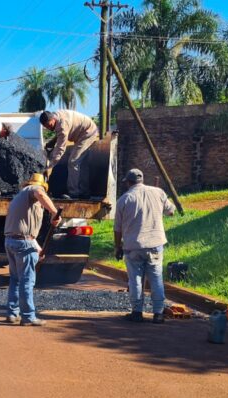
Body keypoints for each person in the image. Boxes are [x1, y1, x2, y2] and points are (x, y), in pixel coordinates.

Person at [113, 168, 176, 324]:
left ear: (128, 182)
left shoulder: (124, 200)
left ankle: (137, 312)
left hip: (133, 246)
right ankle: (158, 314)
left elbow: (117, 229)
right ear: (141, 180)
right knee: (156, 279)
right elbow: (171, 211)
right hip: (155, 244)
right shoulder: (158, 192)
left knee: (135, 280)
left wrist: (117, 247)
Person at [3, 173, 61, 326]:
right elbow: (40, 193)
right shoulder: (34, 189)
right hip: (22, 244)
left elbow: (27, 231)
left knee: (15, 279)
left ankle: (12, 313)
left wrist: (37, 248)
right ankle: (28, 316)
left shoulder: (20, 197)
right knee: (27, 281)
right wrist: (54, 212)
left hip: (11, 241)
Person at [39, 110, 99, 198]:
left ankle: (74, 193)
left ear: (53, 119)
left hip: (88, 133)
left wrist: (50, 166)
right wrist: (52, 142)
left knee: (73, 161)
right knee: (82, 164)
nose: (49, 128)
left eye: (49, 125)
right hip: (82, 133)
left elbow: (60, 149)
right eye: (46, 127)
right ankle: (84, 192)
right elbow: (61, 134)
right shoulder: (57, 116)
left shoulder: (62, 125)